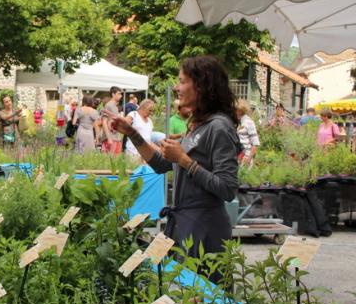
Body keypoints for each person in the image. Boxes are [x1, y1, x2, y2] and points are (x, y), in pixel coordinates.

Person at [109, 55, 241, 259]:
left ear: (201, 85)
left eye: (182, 81)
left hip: (205, 231)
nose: (177, 88)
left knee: (202, 290)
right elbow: (161, 165)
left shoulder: (219, 127)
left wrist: (184, 160)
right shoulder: (198, 124)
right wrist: (132, 133)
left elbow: (227, 188)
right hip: (185, 224)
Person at [235, 100, 260, 166]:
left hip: (245, 158)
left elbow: (255, 143)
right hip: (239, 157)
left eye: (235, 110)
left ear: (240, 111)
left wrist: (249, 159)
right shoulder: (240, 123)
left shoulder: (248, 122)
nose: (234, 112)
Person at [101, 86, 124, 154]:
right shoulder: (109, 105)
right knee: (110, 160)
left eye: (121, 94)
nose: (121, 96)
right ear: (113, 94)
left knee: (116, 161)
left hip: (117, 137)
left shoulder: (115, 106)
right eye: (119, 94)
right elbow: (104, 122)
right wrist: (109, 138)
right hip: (111, 138)